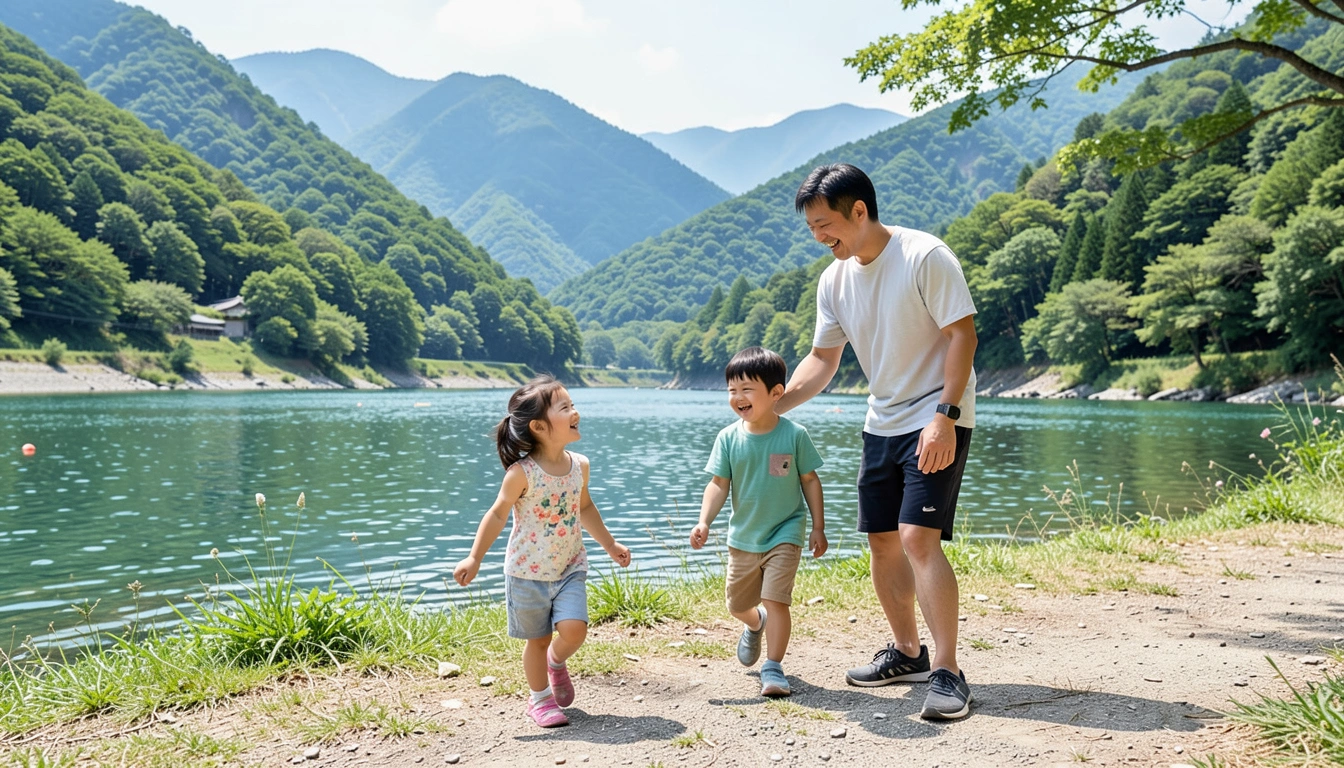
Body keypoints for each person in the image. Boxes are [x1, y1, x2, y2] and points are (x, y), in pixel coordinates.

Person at [777, 163, 978, 720]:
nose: (819, 237)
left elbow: (961, 334)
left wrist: (945, 414)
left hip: (937, 415)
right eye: (813, 227)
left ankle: (948, 671)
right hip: (881, 422)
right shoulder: (834, 280)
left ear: (858, 212)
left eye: (825, 225)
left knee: (918, 538)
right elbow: (822, 360)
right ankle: (908, 655)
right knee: (884, 541)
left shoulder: (925, 256)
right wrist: (777, 404)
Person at [453, 376, 632, 728]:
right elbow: (497, 514)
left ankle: (557, 661)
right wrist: (474, 557)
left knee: (575, 629)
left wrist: (610, 545)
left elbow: (586, 508)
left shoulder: (579, 465)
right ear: (538, 426)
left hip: (569, 566)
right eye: (565, 407)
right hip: (526, 572)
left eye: (573, 404)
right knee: (536, 641)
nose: (575, 411)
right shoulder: (522, 473)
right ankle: (539, 700)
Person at [689, 347, 827, 698]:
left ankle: (774, 666)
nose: (738, 397)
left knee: (776, 599)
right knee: (737, 605)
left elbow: (810, 480)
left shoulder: (794, 435)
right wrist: (704, 521)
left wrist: (817, 526)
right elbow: (718, 484)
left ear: (776, 393)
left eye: (747, 389)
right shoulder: (728, 438)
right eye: (732, 390)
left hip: (786, 530)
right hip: (744, 536)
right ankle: (756, 624)